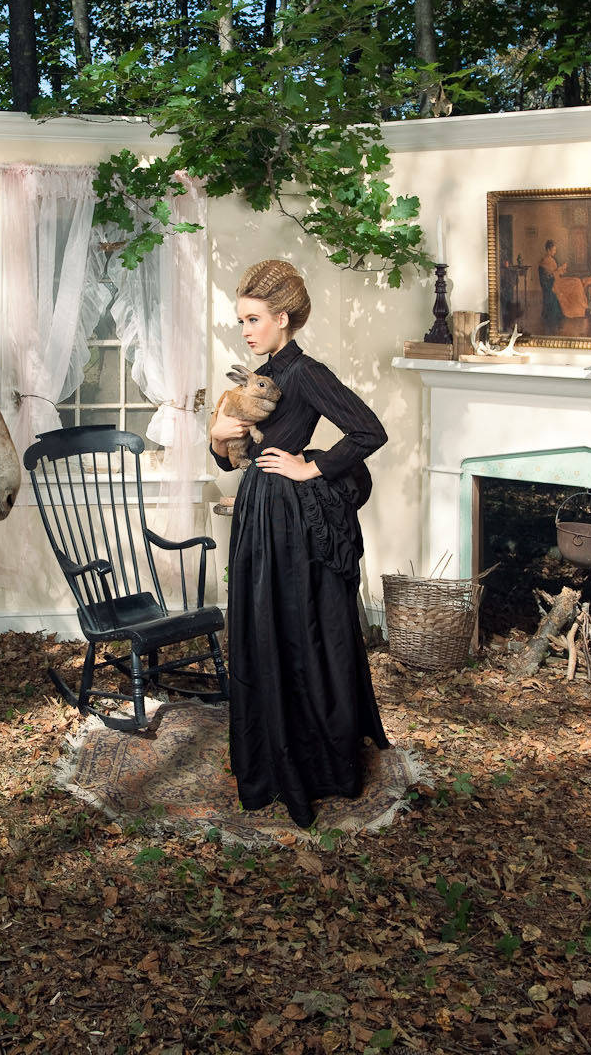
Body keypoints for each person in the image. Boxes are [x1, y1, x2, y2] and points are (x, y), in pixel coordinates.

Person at [208, 258, 389, 828]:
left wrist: (312, 467)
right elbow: (230, 456)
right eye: (241, 320)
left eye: (255, 319)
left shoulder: (306, 373)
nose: (246, 330)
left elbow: (368, 430)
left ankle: (315, 761)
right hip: (256, 510)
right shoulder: (256, 378)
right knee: (261, 625)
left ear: (283, 318)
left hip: (289, 515)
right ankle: (267, 753)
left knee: (297, 625)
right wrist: (217, 438)